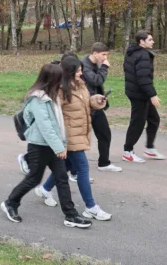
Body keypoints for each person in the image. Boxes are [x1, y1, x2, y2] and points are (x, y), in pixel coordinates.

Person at [1, 62, 93, 229]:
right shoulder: (38, 99)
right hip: (38, 145)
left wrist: (62, 144)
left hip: (53, 145)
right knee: (34, 178)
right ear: (51, 79)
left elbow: (58, 124)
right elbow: (46, 127)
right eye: (59, 79)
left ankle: (70, 215)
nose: (62, 82)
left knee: (62, 178)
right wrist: (59, 148)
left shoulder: (53, 96)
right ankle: (10, 203)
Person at [36, 57, 112, 221]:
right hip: (69, 136)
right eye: (78, 71)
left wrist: (96, 100)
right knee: (83, 168)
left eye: (81, 70)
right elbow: (54, 116)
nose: (81, 73)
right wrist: (58, 141)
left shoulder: (80, 84)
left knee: (67, 165)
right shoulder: (60, 90)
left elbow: (83, 104)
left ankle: (45, 189)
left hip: (80, 133)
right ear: (69, 72)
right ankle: (90, 207)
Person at [123, 31, 165, 163]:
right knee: (138, 123)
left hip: (136, 92)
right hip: (139, 94)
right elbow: (143, 78)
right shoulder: (143, 55)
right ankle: (127, 151)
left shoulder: (132, 52)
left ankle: (149, 148)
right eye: (150, 40)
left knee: (154, 120)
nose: (153, 42)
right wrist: (152, 94)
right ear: (142, 41)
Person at [81, 43, 121, 173]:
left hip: (94, 106)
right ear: (95, 53)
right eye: (103, 55)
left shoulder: (94, 64)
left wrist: (100, 97)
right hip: (82, 107)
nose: (105, 58)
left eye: (106, 55)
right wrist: (104, 68)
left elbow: (95, 86)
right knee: (76, 139)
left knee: (105, 134)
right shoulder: (84, 65)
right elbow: (96, 81)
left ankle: (104, 163)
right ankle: (30, 159)